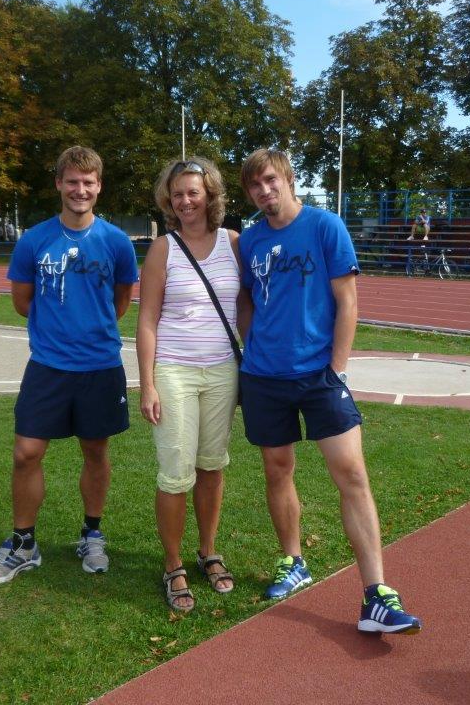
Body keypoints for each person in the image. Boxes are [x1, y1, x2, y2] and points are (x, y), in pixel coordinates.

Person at [238, 148, 421, 635]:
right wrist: (252, 347)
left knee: (352, 474)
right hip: (263, 377)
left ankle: (376, 594)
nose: (264, 191)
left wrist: (337, 368)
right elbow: (247, 300)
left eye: (270, 180)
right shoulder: (250, 240)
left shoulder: (325, 226)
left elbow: (348, 301)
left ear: (288, 178)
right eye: (255, 185)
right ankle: (293, 562)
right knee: (278, 469)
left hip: (319, 375)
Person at [0, 146, 138, 584]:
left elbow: (121, 302)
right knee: (27, 453)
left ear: (99, 186)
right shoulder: (34, 240)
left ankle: (92, 534)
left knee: (96, 451)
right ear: (59, 184)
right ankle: (24, 543)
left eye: (88, 182)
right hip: (48, 365)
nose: (80, 190)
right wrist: (59, 330)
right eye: (72, 181)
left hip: (100, 365)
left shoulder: (116, 242)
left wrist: (89, 327)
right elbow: (22, 302)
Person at [136, 158, 249, 613]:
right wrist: (147, 384)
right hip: (174, 372)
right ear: (169, 200)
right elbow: (147, 320)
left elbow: (246, 306)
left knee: (212, 466)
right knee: (175, 474)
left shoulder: (234, 243)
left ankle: (208, 551)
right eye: (178, 194)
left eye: (193, 192)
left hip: (223, 371)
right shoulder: (163, 249)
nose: (185, 201)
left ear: (210, 195)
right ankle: (173, 564)